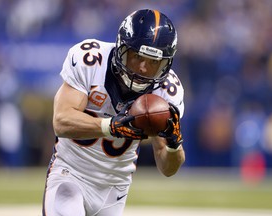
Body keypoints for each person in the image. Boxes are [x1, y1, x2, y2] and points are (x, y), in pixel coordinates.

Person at [42, 9, 185, 216]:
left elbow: (167, 169)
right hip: (70, 174)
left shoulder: (167, 91)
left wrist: (174, 145)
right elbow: (62, 121)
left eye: (154, 62)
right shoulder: (91, 60)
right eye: (137, 57)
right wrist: (111, 126)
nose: (143, 69)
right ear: (121, 47)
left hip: (114, 190)